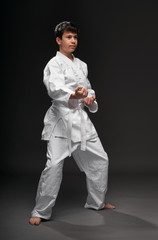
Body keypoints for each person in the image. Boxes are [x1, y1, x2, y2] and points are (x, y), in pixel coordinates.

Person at [29, 21, 115, 226]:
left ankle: (97, 202)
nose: (73, 41)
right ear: (59, 40)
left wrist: (89, 99)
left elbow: (89, 89)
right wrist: (74, 95)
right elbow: (54, 88)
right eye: (68, 37)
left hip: (80, 119)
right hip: (61, 120)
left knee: (100, 159)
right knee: (54, 166)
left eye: (75, 37)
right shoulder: (53, 64)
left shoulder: (82, 65)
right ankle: (40, 210)